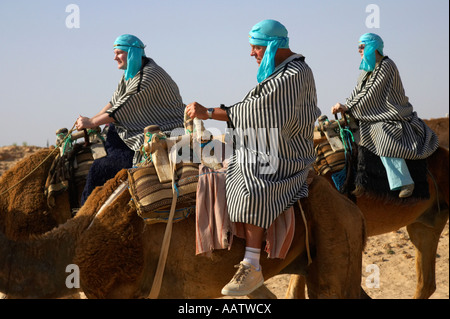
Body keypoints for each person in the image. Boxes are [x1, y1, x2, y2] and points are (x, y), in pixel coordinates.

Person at [186, 19, 320, 296]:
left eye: (255, 47)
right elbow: (252, 108)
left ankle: (252, 263)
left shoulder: (294, 73)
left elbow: (258, 113)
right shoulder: (280, 73)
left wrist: (209, 113)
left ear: (272, 46)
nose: (252, 53)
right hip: (268, 139)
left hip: (287, 149)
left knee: (250, 178)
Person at [76, 34, 185, 204]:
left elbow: (124, 107)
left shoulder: (149, 76)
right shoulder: (131, 75)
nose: (115, 57)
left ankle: (83, 220)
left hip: (153, 140)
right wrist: (92, 120)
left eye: (119, 53)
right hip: (126, 137)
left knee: (98, 168)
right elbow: (114, 102)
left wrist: (91, 122)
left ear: (132, 52)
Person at [331, 33, 438, 198]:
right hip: (373, 113)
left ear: (372, 47)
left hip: (392, 113)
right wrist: (345, 106)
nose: (359, 50)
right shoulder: (366, 70)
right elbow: (358, 93)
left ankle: (403, 181)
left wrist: (348, 107)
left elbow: (372, 93)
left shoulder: (386, 65)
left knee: (382, 134)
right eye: (358, 47)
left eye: (362, 46)